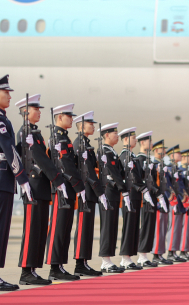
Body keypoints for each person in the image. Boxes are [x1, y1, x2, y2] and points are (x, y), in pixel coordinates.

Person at [0, 75, 32, 291]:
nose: (10, 96)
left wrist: (22, 146)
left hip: (3, 178)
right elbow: (8, 152)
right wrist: (22, 178)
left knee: (1, 228)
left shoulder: (2, 119)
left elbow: (10, 148)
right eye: (6, 92)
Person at [14, 94, 67, 285]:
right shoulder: (26, 132)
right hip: (33, 186)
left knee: (39, 230)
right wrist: (57, 178)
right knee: (31, 230)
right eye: (36, 109)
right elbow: (39, 159)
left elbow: (44, 157)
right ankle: (26, 271)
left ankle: (33, 270)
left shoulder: (34, 132)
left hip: (41, 187)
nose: (39, 112)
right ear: (26, 112)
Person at [45, 103, 86, 281]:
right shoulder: (58, 138)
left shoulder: (65, 138)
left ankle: (60, 265)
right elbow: (66, 165)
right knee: (58, 227)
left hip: (68, 187)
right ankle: (54, 267)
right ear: (59, 118)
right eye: (68, 116)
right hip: (61, 187)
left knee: (65, 228)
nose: (71, 119)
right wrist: (79, 186)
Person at [72, 111, 107, 277]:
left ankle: (84, 262)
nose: (93, 126)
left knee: (88, 227)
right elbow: (87, 171)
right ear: (81, 126)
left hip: (90, 190)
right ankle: (80, 262)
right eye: (90, 124)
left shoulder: (86, 143)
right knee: (83, 226)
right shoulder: (80, 143)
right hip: (86, 190)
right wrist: (99, 191)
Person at [119, 127, 153, 270]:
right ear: (125, 140)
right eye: (133, 138)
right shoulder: (125, 156)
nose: (135, 140)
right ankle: (125, 258)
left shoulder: (132, 156)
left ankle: (129, 257)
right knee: (129, 226)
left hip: (136, 195)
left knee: (134, 227)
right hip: (130, 194)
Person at [98, 123, 131, 273]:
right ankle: (105, 260)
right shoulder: (105, 151)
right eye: (114, 133)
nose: (117, 136)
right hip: (108, 191)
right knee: (107, 226)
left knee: (112, 226)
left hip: (113, 192)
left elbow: (120, 173)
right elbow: (113, 173)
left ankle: (108, 259)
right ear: (107, 135)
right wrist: (123, 189)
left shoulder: (111, 151)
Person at [135, 131, 160, 267]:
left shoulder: (147, 159)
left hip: (151, 197)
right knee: (145, 225)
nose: (151, 144)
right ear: (143, 142)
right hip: (145, 198)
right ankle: (142, 255)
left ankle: (144, 254)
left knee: (149, 225)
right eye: (149, 141)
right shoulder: (140, 159)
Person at [151, 140, 173, 265]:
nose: (164, 151)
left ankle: (160, 253)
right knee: (159, 228)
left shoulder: (162, 164)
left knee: (164, 228)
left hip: (165, 200)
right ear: (156, 151)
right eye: (161, 149)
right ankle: (156, 254)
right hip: (158, 201)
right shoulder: (153, 164)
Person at [166, 145, 187, 263]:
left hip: (180, 201)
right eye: (178, 153)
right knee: (173, 227)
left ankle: (174, 250)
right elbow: (169, 186)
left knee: (178, 227)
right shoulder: (169, 169)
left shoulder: (176, 169)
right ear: (172, 156)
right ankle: (170, 251)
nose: (180, 155)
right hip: (174, 201)